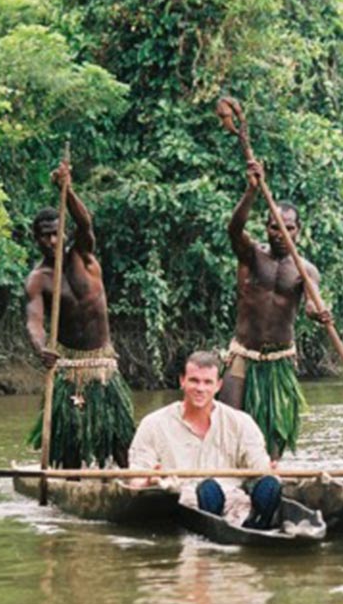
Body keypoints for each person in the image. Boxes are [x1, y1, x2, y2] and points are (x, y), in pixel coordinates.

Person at [216, 159, 332, 459]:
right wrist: (251, 191)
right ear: (266, 227)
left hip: (279, 360)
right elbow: (234, 227)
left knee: (275, 431)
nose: (280, 233)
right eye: (274, 226)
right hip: (243, 353)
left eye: (287, 228)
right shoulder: (252, 256)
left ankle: (271, 480)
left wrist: (319, 312)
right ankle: (226, 482)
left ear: (297, 230)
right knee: (228, 422)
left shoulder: (305, 270)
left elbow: (310, 301)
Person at [24, 160, 134, 469]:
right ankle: (71, 491)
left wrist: (67, 190)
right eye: (44, 236)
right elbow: (34, 322)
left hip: (102, 363)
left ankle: (126, 484)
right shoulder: (38, 279)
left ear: (65, 233)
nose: (52, 241)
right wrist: (42, 348)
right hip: (68, 366)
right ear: (36, 238)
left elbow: (85, 223)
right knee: (70, 440)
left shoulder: (84, 255)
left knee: (120, 436)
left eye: (56, 233)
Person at [129, 351, 282, 529]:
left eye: (208, 382)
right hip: (182, 501)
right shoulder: (153, 424)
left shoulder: (241, 422)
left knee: (270, 486)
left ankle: (258, 522)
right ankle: (218, 523)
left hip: (235, 504)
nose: (200, 388)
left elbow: (259, 465)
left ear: (218, 386)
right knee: (208, 489)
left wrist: (270, 472)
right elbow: (135, 479)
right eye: (194, 380)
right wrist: (150, 481)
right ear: (182, 381)